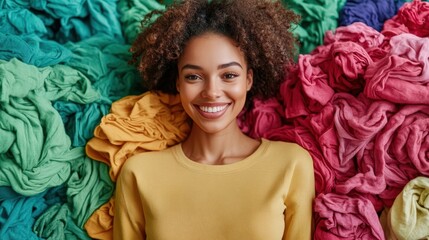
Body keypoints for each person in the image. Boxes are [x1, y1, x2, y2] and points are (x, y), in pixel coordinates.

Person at [113, 0, 315, 239]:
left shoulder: (290, 165)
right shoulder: (139, 173)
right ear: (178, 82)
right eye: (193, 76)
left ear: (248, 80)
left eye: (229, 75)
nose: (211, 91)